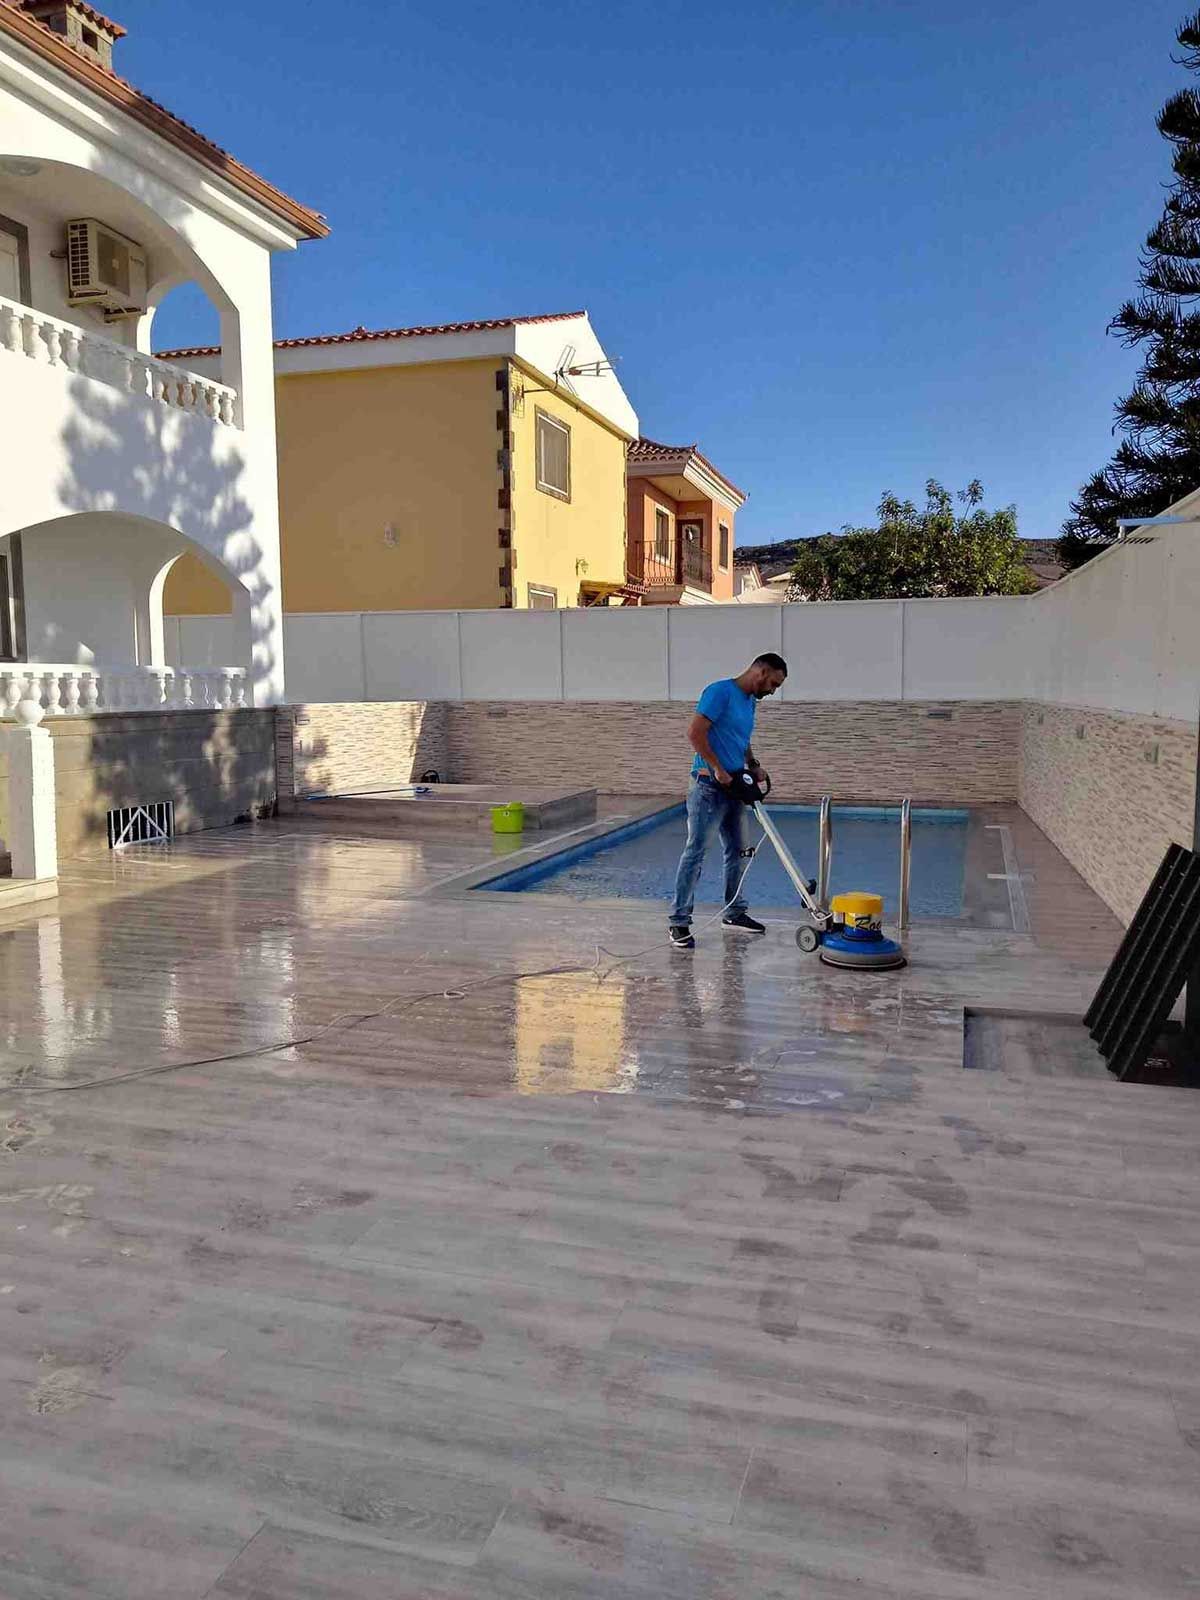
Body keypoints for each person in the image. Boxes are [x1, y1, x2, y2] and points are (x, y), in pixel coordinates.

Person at [668, 653, 788, 948]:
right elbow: (695, 733)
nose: (772, 691)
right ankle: (678, 922)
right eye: (773, 684)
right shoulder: (719, 692)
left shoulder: (749, 702)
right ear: (760, 671)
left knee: (739, 852)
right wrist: (717, 768)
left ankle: (734, 913)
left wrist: (753, 763)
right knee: (696, 852)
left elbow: (741, 738)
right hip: (708, 786)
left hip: (734, 785)